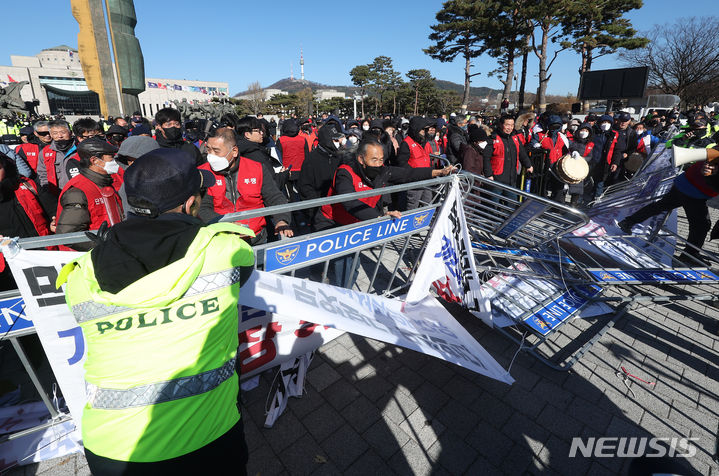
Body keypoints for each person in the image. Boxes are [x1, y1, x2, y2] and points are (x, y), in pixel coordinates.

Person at [56, 147, 252, 475]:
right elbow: (243, 267)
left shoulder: (80, 275)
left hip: (112, 449)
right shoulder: (226, 251)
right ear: (191, 202)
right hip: (208, 436)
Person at [315, 137, 455, 285]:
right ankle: (334, 290)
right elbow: (349, 201)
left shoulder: (383, 171)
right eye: (374, 160)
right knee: (343, 264)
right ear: (361, 159)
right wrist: (379, 215)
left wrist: (438, 172)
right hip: (334, 222)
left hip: (356, 223)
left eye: (381, 159)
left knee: (351, 265)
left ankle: (342, 292)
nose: (378, 164)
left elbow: (408, 174)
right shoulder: (345, 172)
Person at [617, 148, 719, 263]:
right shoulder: (715, 155)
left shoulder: (714, 151)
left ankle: (628, 222)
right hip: (694, 192)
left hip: (683, 183)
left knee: (660, 205)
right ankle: (690, 255)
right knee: (701, 225)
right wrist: (710, 175)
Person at [199, 128, 292, 245]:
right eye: (208, 149)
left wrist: (282, 220)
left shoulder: (256, 168)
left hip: (256, 238)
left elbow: (274, 196)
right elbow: (202, 207)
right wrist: (226, 225)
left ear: (234, 151)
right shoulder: (203, 173)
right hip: (221, 240)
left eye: (216, 151)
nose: (211, 155)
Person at [55, 137, 123, 250]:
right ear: (95, 160)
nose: (114, 161)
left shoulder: (104, 182)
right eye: (111, 158)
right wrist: (100, 246)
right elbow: (68, 234)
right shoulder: (77, 191)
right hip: (95, 256)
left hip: (113, 249)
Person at [0, 153, 52, 291]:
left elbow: (54, 210)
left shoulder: (26, 185)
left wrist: (55, 221)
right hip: (7, 269)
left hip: (42, 255)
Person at [298, 123, 348, 229]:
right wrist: (315, 210)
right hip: (320, 213)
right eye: (335, 140)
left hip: (340, 208)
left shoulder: (340, 157)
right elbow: (305, 187)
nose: (338, 143)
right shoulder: (311, 160)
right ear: (327, 140)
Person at [483, 114, 533, 201]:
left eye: (512, 125)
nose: (509, 128)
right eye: (507, 125)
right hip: (496, 178)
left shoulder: (515, 138)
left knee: (511, 204)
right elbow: (486, 158)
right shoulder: (493, 139)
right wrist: (489, 175)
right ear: (501, 125)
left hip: (511, 178)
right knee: (493, 205)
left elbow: (522, 153)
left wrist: (528, 165)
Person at [531, 115, 570, 202]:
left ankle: (557, 207)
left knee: (558, 188)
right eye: (552, 126)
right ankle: (541, 204)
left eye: (557, 126)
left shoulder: (562, 137)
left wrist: (574, 152)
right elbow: (533, 142)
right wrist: (535, 145)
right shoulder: (541, 135)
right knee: (542, 187)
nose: (554, 129)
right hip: (544, 166)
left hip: (557, 167)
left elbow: (569, 147)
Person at [397, 117, 433, 209]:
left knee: (428, 203)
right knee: (412, 205)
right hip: (414, 181)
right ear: (416, 128)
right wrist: (413, 174)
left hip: (427, 178)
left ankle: (425, 222)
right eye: (422, 129)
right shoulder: (406, 143)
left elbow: (427, 159)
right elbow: (402, 163)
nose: (424, 132)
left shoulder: (424, 141)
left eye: (426, 129)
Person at [585, 114, 618, 202]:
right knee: (587, 181)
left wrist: (615, 162)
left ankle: (596, 200)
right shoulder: (593, 132)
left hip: (604, 163)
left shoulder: (613, 135)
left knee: (599, 183)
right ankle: (583, 199)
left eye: (608, 122)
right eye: (604, 122)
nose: (606, 124)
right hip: (591, 161)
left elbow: (616, 150)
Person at [275, 119, 309, 200]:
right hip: (301, 169)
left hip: (288, 170)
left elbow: (279, 156)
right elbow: (307, 155)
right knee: (302, 192)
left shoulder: (281, 140)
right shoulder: (302, 139)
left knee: (289, 193)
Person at [567, 123, 595, 207]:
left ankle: (573, 202)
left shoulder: (590, 144)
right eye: (582, 130)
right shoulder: (572, 140)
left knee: (578, 185)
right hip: (569, 164)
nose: (584, 132)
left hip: (580, 167)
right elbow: (569, 148)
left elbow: (590, 157)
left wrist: (582, 159)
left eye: (586, 131)